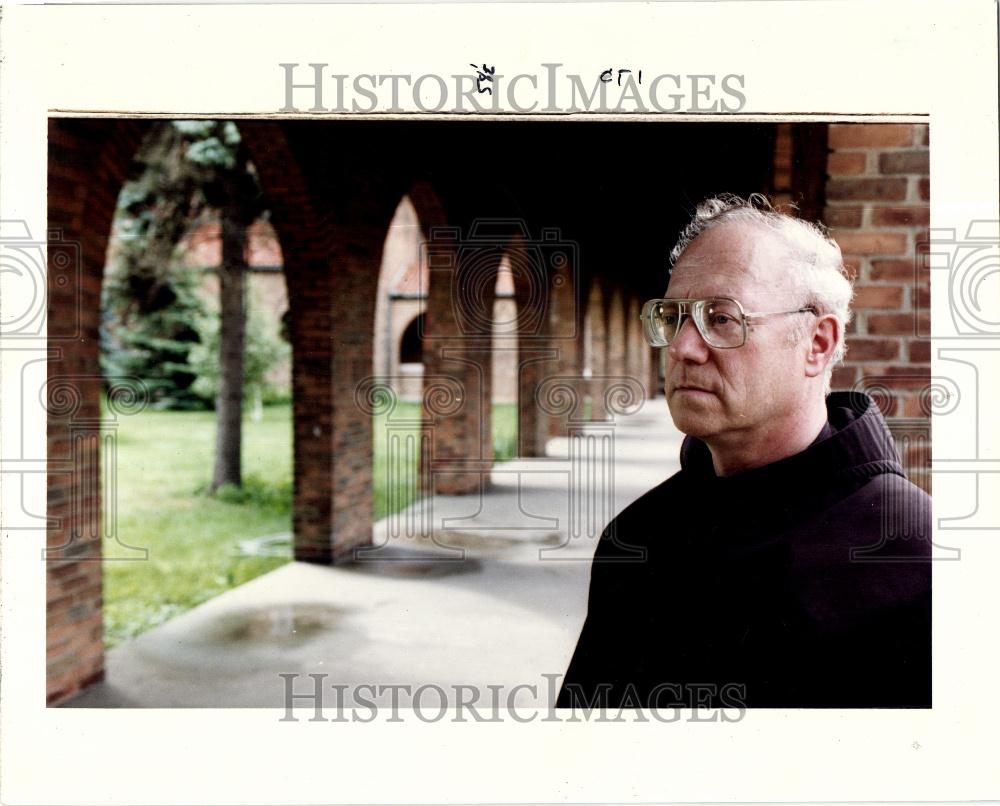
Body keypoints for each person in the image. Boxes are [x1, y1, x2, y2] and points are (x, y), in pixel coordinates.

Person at [558, 194, 931, 710]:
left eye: (722, 318)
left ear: (817, 344)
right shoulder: (638, 537)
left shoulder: (916, 559)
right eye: (674, 316)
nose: (684, 348)